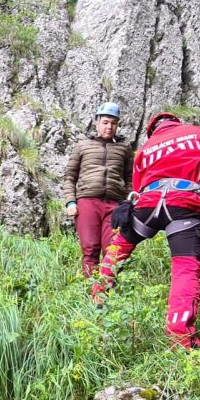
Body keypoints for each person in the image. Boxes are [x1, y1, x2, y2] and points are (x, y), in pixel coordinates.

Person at [92, 112, 200, 349]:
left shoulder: (146, 148)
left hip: (147, 205)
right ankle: (180, 336)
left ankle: (97, 294)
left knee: (119, 247)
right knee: (185, 269)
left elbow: (138, 188)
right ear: (176, 123)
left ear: (152, 130)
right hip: (183, 204)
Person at [63, 102, 134, 277]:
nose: (109, 127)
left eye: (113, 123)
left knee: (113, 250)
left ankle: (108, 293)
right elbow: (69, 177)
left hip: (115, 205)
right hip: (87, 202)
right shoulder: (82, 146)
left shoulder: (125, 148)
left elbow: (131, 179)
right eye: (105, 122)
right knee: (90, 249)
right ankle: (92, 293)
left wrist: (129, 203)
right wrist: (70, 201)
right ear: (97, 123)